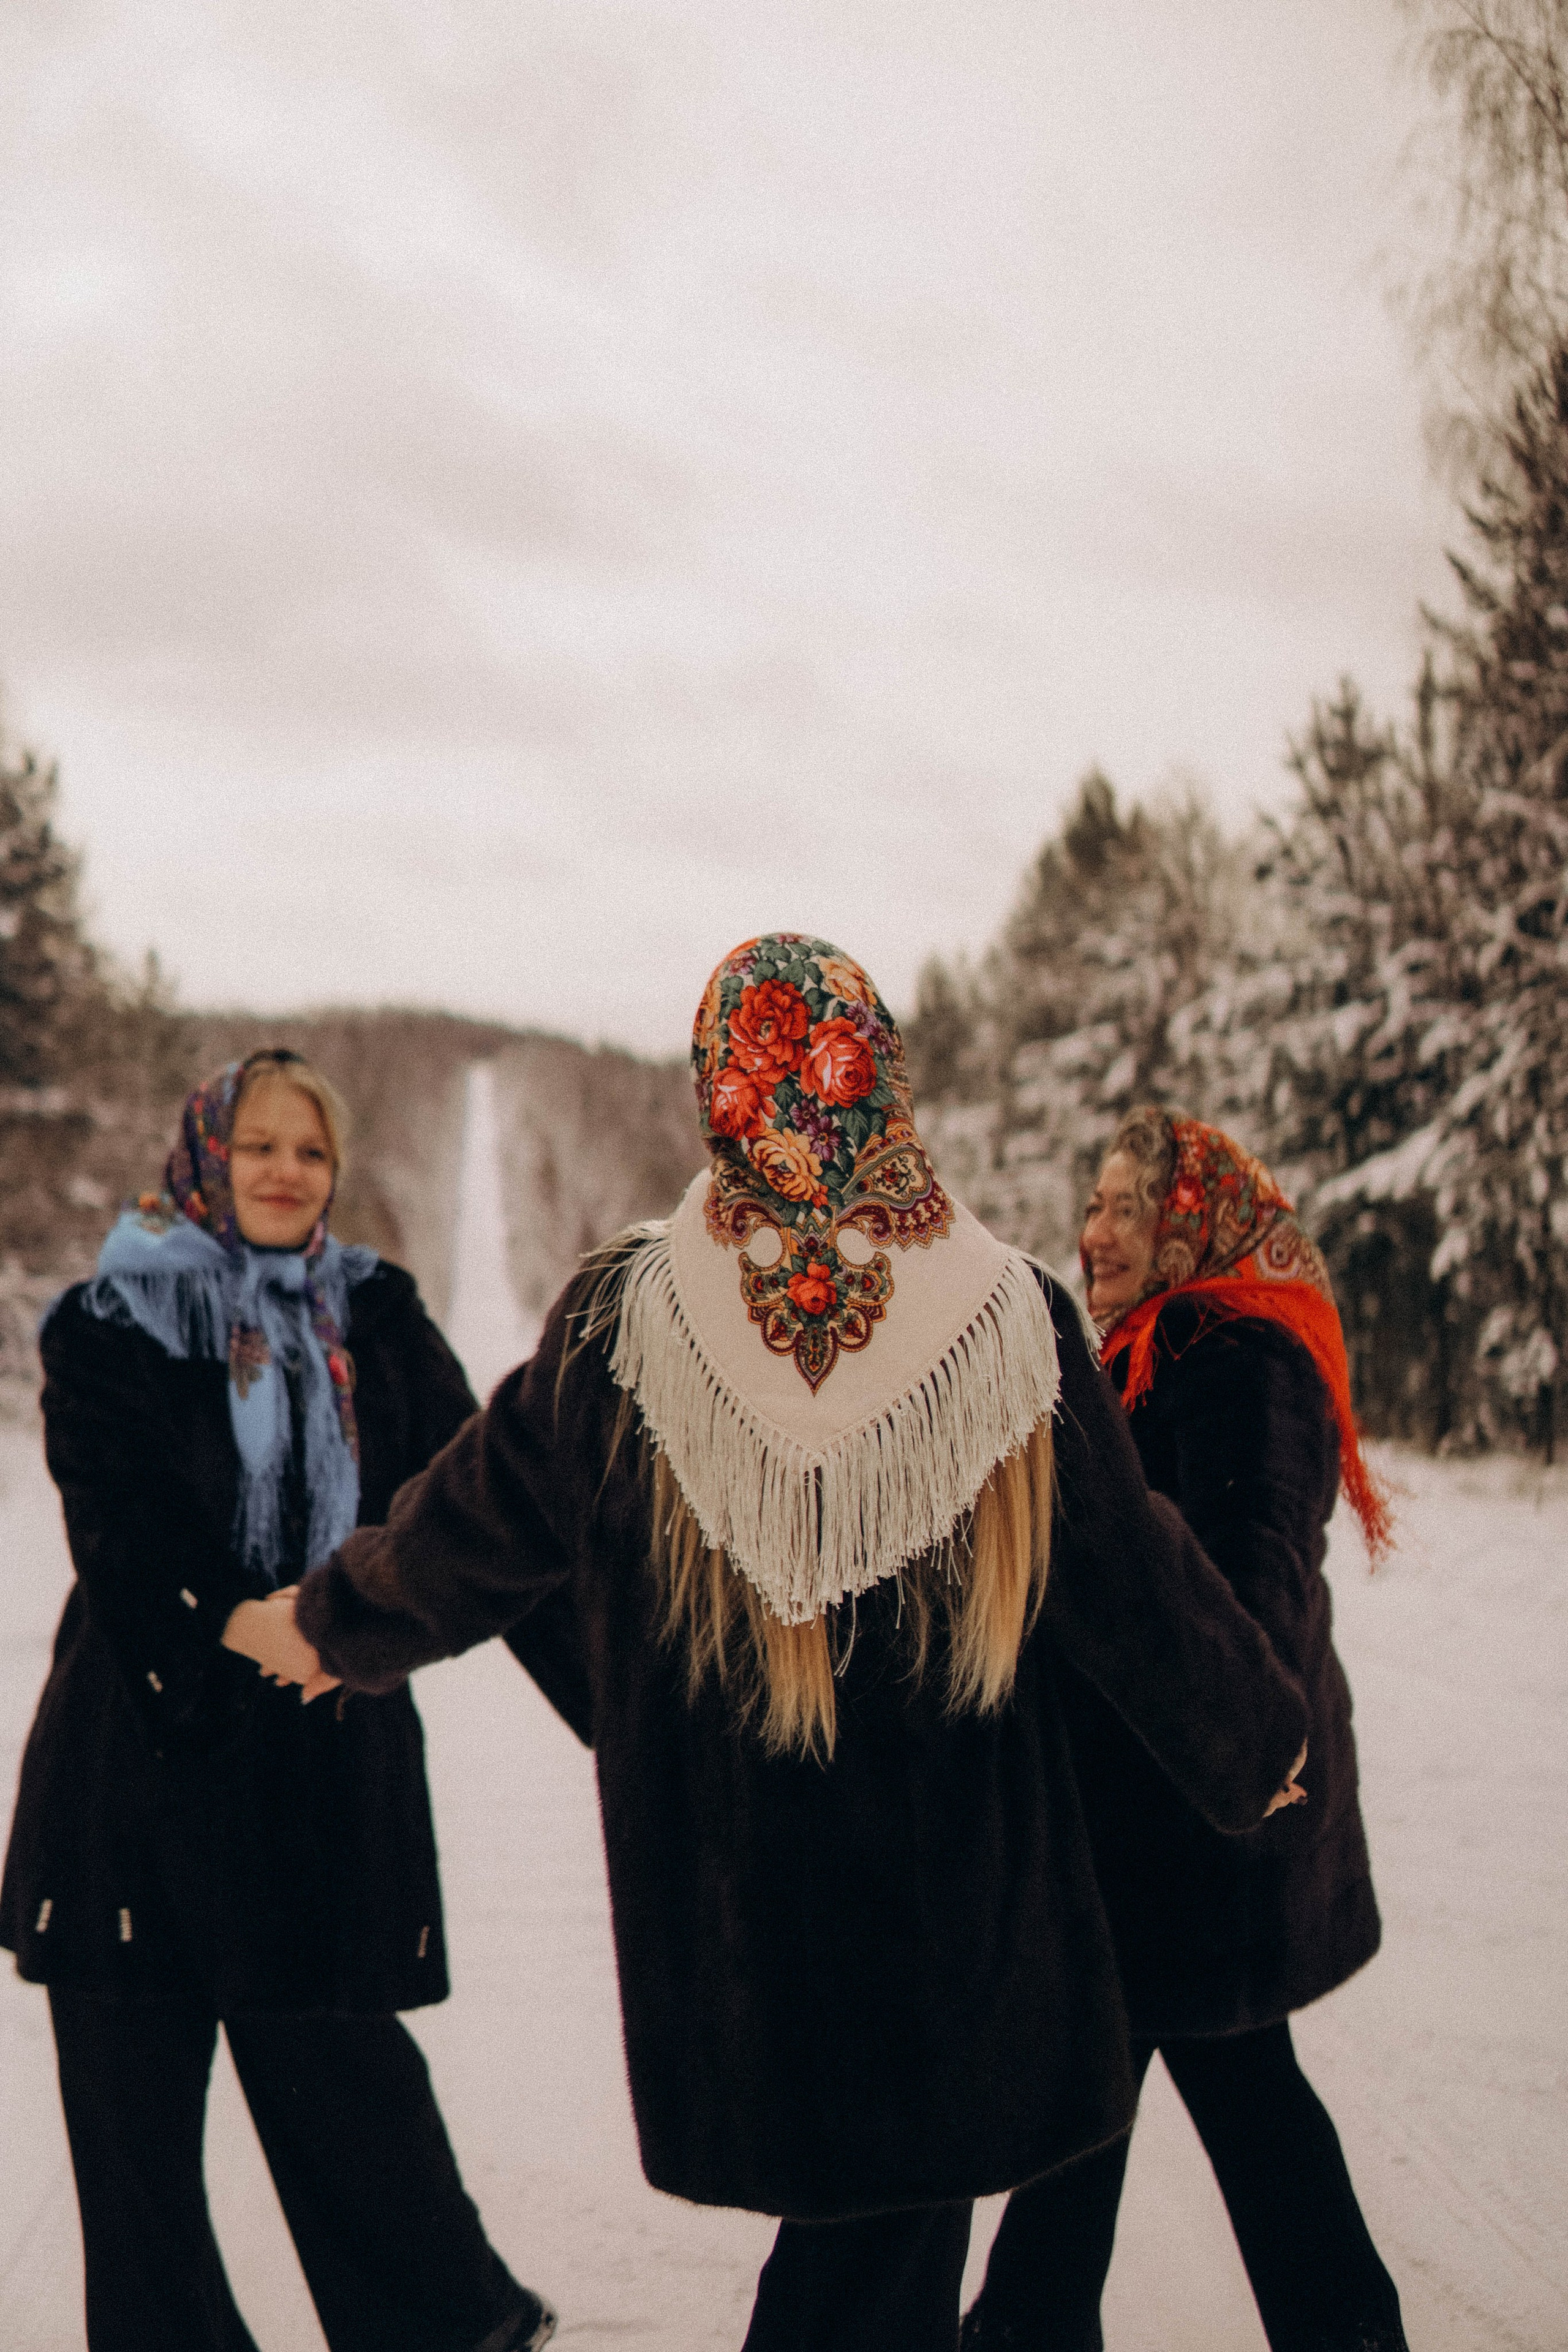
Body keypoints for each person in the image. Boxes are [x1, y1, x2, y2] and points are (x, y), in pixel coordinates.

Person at [257, 938, 1310, 2352]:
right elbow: (1131, 1584)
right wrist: (1254, 1741)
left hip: (742, 1935)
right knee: (867, 2287)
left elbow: (465, 1531)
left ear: (718, 1086)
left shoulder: (624, 1321)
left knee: (850, 2279)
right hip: (958, 1937)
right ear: (880, 1076)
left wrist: (331, 1625)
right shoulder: (1001, 1321)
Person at [0, 1049, 556, 2352]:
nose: (285, 1172)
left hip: (317, 1789)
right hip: (135, 1785)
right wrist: (302, 1626)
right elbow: (129, 1539)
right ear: (205, 1154)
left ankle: (451, 2330)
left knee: (356, 2109)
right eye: (259, 1145)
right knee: (139, 2183)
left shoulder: (378, 1321)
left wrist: (610, 1676)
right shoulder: (109, 1324)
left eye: (310, 1152)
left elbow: (477, 1512)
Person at [962, 1106, 1406, 2352]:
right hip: (1161, 1823)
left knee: (1187, 2104)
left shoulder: (1236, 1357)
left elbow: (1257, 1578)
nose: (1090, 1232)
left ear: (1185, 1223)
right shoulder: (1151, 1349)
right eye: (1091, 1205)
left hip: (1210, 1822)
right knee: (1166, 2104)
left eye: (1119, 1208)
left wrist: (1231, 1741)